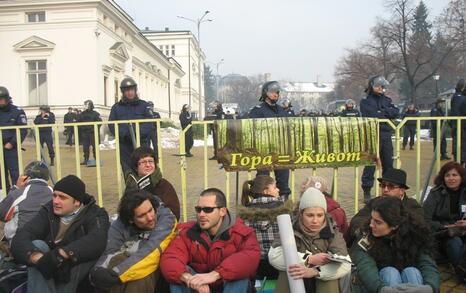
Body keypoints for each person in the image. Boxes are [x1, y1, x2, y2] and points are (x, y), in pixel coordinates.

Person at [11, 175, 110, 293]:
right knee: (37, 245)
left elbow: (98, 239)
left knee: (88, 253)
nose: (56, 201)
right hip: (49, 269)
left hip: (73, 267)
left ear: (77, 202)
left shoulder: (95, 214)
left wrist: (62, 254)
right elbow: (21, 237)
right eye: (54, 195)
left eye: (62, 197)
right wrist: (38, 259)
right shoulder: (48, 211)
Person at [160, 188, 260, 293]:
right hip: (200, 287)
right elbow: (170, 258)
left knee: (239, 276)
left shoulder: (242, 233)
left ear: (222, 211)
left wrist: (216, 274)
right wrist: (188, 278)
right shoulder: (187, 232)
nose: (201, 214)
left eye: (208, 210)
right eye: (198, 209)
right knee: (178, 276)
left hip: (228, 285)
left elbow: (250, 256)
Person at [90, 190, 177, 292]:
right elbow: (110, 251)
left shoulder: (167, 219)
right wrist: (97, 272)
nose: (150, 217)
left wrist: (118, 273)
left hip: (156, 267)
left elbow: (151, 252)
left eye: (150, 210)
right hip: (128, 264)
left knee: (140, 276)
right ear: (130, 220)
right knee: (116, 261)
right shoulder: (119, 225)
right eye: (142, 216)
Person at [268, 187, 351, 293]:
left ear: (324, 215)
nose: (315, 220)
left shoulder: (333, 232)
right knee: (289, 271)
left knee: (329, 281)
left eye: (320, 215)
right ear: (301, 214)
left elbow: (345, 264)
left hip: (321, 279)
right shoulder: (289, 228)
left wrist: (315, 271)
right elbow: (274, 256)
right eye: (310, 215)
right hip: (296, 279)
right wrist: (308, 260)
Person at [350, 196, 440, 293]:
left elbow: (427, 263)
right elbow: (365, 266)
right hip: (376, 286)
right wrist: (382, 289)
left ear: (394, 226)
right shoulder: (366, 235)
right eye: (372, 219)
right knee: (389, 272)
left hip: (409, 280)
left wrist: (430, 287)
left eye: (378, 222)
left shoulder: (416, 235)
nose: (371, 224)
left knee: (411, 272)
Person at [346, 168, 423, 248]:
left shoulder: (412, 207)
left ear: (402, 190)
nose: (385, 190)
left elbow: (414, 231)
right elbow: (357, 220)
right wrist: (371, 228)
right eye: (383, 185)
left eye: (391, 186)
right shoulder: (376, 202)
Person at [236, 175, 293, 279]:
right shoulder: (284, 211)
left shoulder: (243, 216)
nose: (278, 189)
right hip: (281, 264)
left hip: (255, 266)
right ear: (266, 191)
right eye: (275, 187)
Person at [423, 161, 466, 280]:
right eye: (447, 175)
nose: (451, 178)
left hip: (463, 230)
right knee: (455, 242)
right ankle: (463, 273)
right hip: (443, 234)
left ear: (461, 177)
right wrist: (445, 227)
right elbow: (424, 219)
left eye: (455, 175)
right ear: (443, 178)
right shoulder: (435, 193)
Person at [360, 76, 399, 202]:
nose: (381, 88)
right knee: (371, 163)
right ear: (371, 86)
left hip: (386, 134)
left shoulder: (387, 100)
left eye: (382, 86)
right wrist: (385, 112)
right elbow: (371, 114)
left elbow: (395, 111)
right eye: (378, 86)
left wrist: (382, 111)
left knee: (388, 163)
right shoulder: (365, 101)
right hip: (373, 135)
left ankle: (387, 189)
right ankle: (367, 190)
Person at [249, 81, 291, 197]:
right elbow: (250, 130)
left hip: (281, 151)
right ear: (265, 93)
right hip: (263, 152)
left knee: (283, 182)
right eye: (272, 92)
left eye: (277, 92)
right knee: (263, 181)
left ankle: (284, 204)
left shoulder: (282, 110)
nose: (276, 94)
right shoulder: (257, 110)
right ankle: (262, 204)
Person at [109, 77, 155, 173]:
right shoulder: (116, 108)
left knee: (145, 172)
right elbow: (112, 125)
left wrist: (137, 133)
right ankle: (132, 188)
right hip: (125, 145)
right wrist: (125, 134)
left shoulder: (144, 105)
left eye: (132, 90)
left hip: (142, 144)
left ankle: (145, 188)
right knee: (128, 172)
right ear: (123, 92)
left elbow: (150, 123)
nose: (130, 93)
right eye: (127, 90)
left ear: (135, 90)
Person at [0, 161, 52, 243]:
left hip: (19, 242)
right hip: (47, 240)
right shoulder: (54, 193)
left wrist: (16, 188)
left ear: (25, 177)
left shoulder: (18, 193)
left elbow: (2, 214)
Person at [125, 146, 180, 220]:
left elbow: (174, 214)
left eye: (150, 161)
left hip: (160, 226)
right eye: (143, 162)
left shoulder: (164, 185)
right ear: (136, 167)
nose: (148, 165)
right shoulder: (131, 185)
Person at [0, 86, 28, 192]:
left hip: (10, 148)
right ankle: (5, 198)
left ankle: (18, 195)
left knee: (15, 174)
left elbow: (22, 130)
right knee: (1, 176)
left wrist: (12, 143)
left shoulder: (17, 111)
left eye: (1, 99)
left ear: (7, 99)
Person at [77, 99, 102, 165]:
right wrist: (83, 128)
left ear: (90, 105)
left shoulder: (96, 114)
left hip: (93, 133)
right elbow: (78, 122)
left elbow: (99, 122)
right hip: (85, 133)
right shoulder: (82, 114)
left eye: (86, 104)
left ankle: (96, 159)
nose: (85, 106)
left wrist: (93, 129)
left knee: (95, 147)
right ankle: (86, 160)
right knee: (85, 147)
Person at [450, 79, 466, 163]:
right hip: (461, 126)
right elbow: (457, 111)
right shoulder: (459, 97)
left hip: (460, 125)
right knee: (460, 146)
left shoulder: (459, 97)